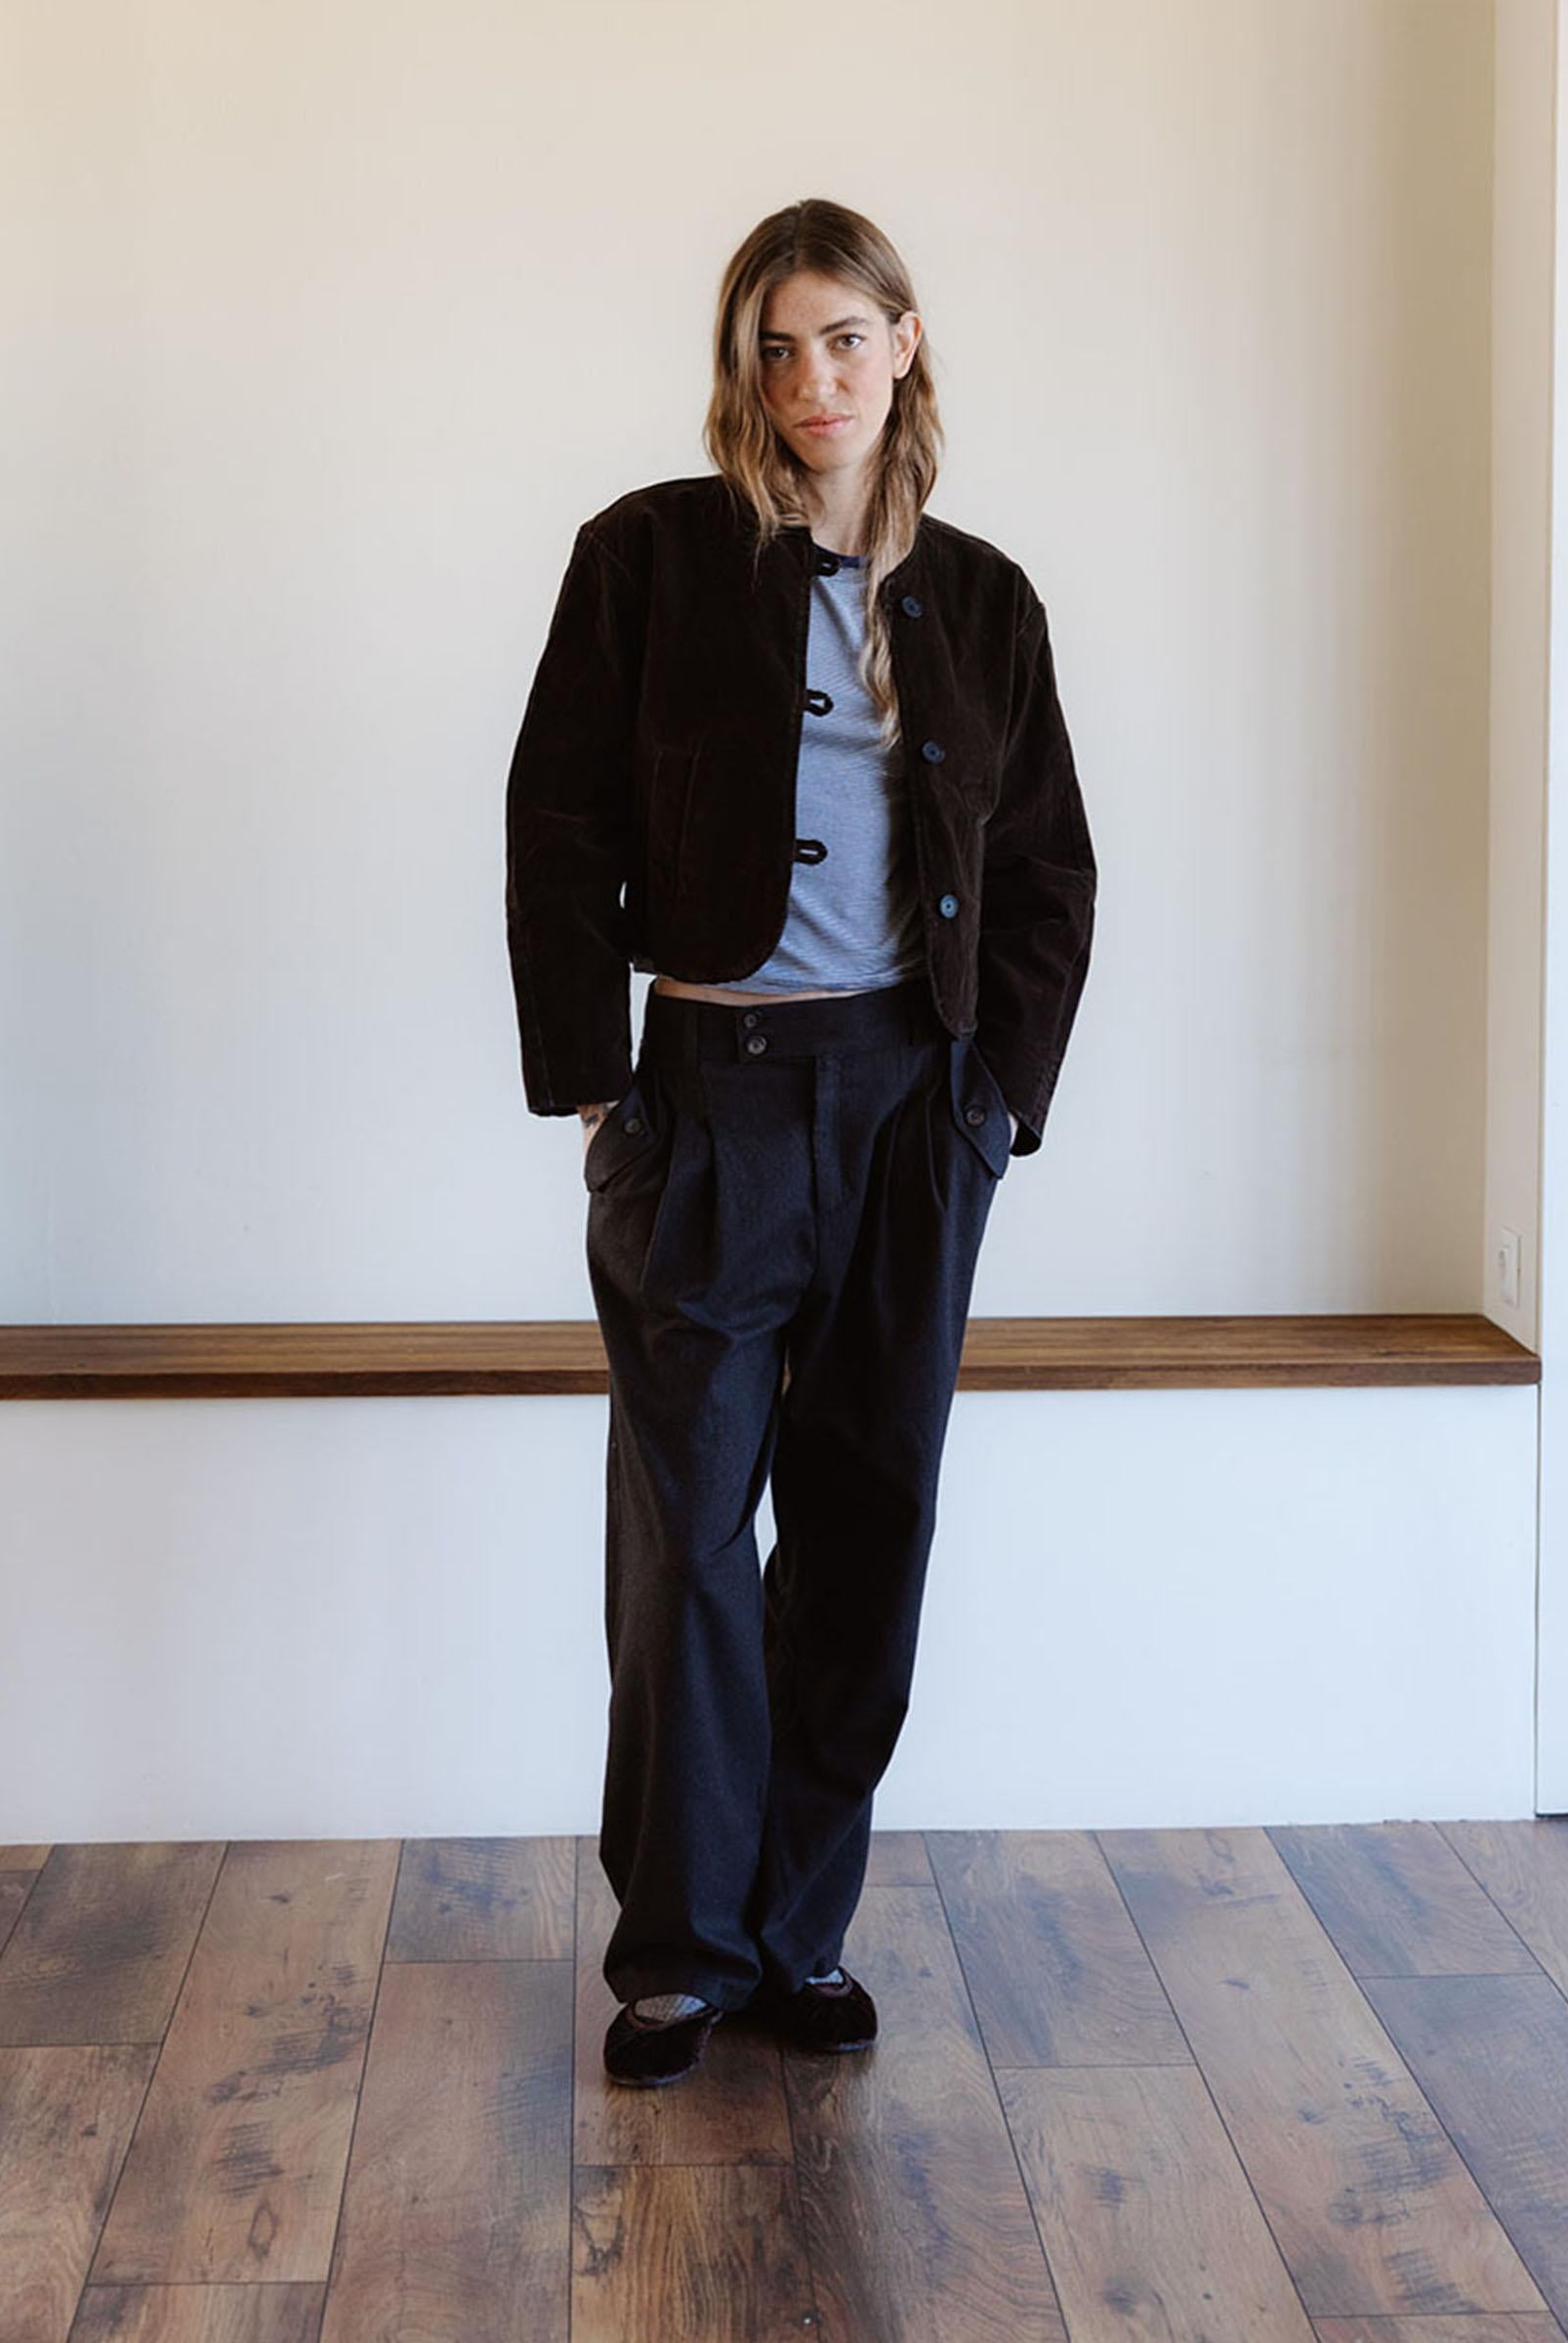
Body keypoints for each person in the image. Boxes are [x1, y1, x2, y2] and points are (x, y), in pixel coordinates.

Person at [505, 197, 1098, 2086]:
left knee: (868, 1523)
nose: (811, 380)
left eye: (844, 338)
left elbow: (1047, 870)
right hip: (706, 1102)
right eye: (776, 347)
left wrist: (995, 1101)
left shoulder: (983, 600)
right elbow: (552, 825)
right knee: (687, 1535)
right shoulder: (649, 559)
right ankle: (680, 1952)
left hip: (910, 1111)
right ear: (742, 368)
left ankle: (795, 1933)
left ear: (903, 346)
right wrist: (596, 1081)